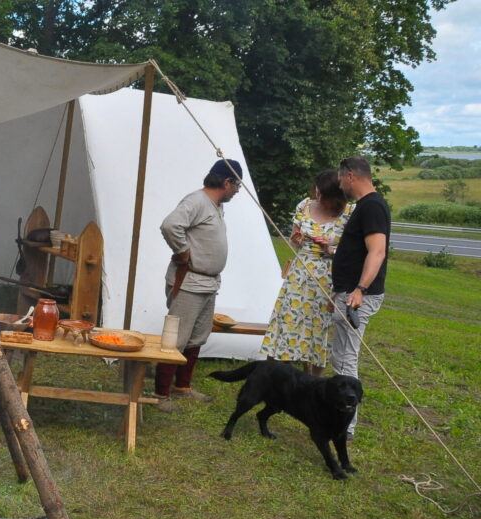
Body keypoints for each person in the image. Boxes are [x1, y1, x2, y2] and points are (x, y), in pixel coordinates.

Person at [154, 158, 243, 411]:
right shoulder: (196, 201)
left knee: (197, 336)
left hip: (207, 283)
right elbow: (170, 225)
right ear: (227, 182)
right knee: (176, 337)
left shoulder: (215, 206)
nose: (238, 191)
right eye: (237, 186)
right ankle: (160, 394)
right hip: (190, 282)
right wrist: (182, 252)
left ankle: (182, 387)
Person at [260, 170, 352, 376]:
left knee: (319, 326)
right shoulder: (304, 205)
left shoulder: (349, 213)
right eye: (317, 191)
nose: (318, 197)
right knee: (289, 319)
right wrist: (297, 239)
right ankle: (276, 372)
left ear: (336, 196)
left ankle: (313, 380)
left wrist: (331, 249)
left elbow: (353, 251)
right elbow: (293, 242)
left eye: (323, 194)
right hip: (300, 273)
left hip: (327, 276)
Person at [331, 155, 391, 439]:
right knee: (340, 357)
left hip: (358, 296)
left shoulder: (372, 206)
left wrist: (360, 289)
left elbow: (377, 251)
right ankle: (339, 416)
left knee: (346, 359)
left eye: (341, 179)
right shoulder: (365, 206)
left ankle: (346, 426)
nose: (340, 185)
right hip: (349, 292)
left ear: (351, 176)